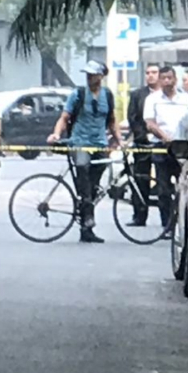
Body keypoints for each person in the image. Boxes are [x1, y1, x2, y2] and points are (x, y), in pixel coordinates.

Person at [47, 61, 124, 243]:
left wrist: (119, 140)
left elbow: (111, 120)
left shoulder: (107, 95)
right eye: (87, 75)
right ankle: (87, 211)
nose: (89, 78)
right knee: (82, 168)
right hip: (80, 141)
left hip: (100, 143)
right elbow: (64, 117)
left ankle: (86, 226)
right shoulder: (78, 94)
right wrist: (56, 134)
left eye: (93, 75)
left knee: (94, 184)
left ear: (101, 76)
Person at [144, 67, 188, 230]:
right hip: (161, 147)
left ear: (175, 80)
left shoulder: (186, 99)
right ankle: (167, 224)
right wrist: (164, 137)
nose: (167, 81)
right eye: (163, 78)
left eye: (170, 78)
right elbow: (150, 123)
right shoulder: (152, 99)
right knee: (163, 189)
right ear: (160, 80)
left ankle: (182, 223)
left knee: (184, 187)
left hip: (182, 147)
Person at [126, 64, 162, 227]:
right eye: (147, 73)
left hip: (162, 143)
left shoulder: (166, 95)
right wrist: (143, 136)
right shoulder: (137, 95)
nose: (150, 76)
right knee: (140, 179)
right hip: (143, 143)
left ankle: (166, 219)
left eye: (154, 72)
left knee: (163, 180)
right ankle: (139, 215)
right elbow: (133, 118)